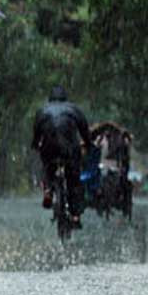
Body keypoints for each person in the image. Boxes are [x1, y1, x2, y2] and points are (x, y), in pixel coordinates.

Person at [32, 86, 92, 227]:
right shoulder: (74, 109)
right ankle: (75, 215)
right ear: (65, 98)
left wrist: (35, 145)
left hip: (49, 148)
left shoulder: (42, 110)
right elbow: (84, 130)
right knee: (73, 179)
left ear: (50, 98)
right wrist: (88, 144)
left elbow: (36, 134)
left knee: (47, 167)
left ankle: (47, 191)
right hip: (69, 149)